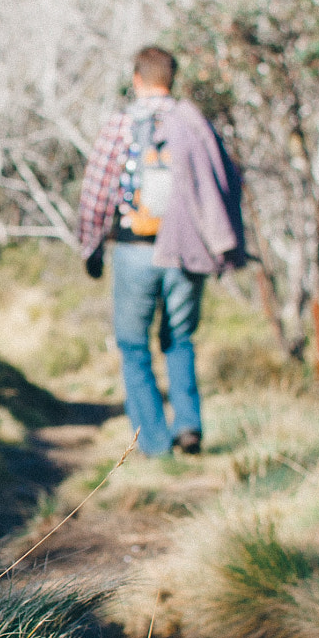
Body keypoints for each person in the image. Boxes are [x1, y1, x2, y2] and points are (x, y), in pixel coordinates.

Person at [75, 45, 246, 457]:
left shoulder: (120, 125)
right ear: (173, 79)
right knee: (179, 338)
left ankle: (153, 444)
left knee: (133, 346)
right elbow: (225, 182)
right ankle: (188, 425)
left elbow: (98, 192)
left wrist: (91, 246)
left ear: (137, 79)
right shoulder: (195, 123)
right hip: (188, 250)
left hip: (135, 251)